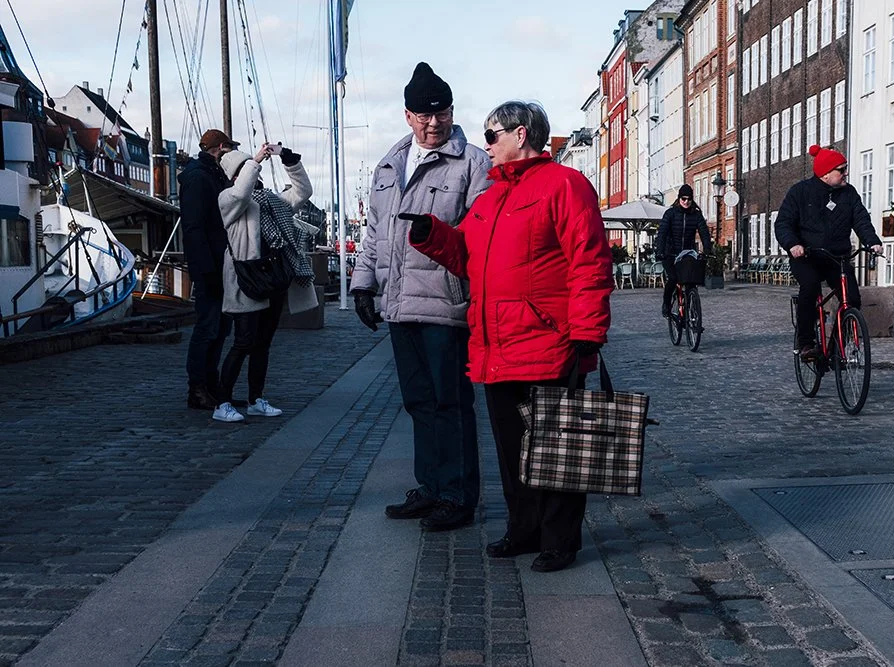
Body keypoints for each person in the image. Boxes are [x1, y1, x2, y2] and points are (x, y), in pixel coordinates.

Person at [405, 100, 614, 573]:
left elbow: (589, 260)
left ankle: (560, 540)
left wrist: (587, 330)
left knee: (556, 449)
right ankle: (523, 530)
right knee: (512, 448)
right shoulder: (489, 199)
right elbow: (466, 257)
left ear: (521, 135)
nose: (486, 143)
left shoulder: (565, 184)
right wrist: (430, 233)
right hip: (497, 345)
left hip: (550, 341)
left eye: (492, 133)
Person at [349, 62, 491, 532]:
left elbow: (481, 236)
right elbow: (374, 233)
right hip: (399, 303)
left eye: (443, 113)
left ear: (452, 112)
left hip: (446, 303)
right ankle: (430, 486)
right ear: (407, 115)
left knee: (450, 401)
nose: (434, 124)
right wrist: (363, 284)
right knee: (417, 401)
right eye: (424, 115)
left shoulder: (472, 162)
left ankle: (457, 494)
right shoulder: (388, 164)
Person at [213, 142, 314, 423]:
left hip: (273, 278)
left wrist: (289, 160)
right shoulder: (229, 200)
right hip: (246, 280)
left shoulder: (269, 201)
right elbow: (242, 191)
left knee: (263, 344)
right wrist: (254, 159)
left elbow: (302, 192)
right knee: (243, 342)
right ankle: (221, 403)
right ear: (237, 174)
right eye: (247, 169)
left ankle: (256, 399)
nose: (255, 174)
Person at [775, 144, 883, 359]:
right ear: (825, 174)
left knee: (851, 298)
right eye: (841, 170)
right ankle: (806, 343)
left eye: (846, 168)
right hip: (807, 256)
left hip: (837, 256)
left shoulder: (849, 193)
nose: (846, 173)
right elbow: (783, 223)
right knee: (810, 286)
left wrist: (872, 241)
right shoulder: (800, 192)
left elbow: (861, 220)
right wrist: (793, 244)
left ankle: (836, 346)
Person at [178, 129, 239, 410]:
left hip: (218, 263)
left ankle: (209, 386)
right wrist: (206, 269)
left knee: (218, 328)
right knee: (208, 327)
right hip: (210, 265)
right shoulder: (199, 177)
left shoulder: (209, 175)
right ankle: (199, 388)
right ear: (220, 148)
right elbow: (194, 227)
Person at [654, 183, 712, 318]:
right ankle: (666, 304)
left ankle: (692, 314)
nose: (686, 202)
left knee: (691, 281)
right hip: (670, 253)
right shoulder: (670, 213)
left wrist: (708, 249)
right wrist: (660, 251)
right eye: (683, 199)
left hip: (687, 253)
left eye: (689, 199)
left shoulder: (696, 215)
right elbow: (662, 233)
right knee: (673, 278)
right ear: (679, 199)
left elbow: (704, 232)